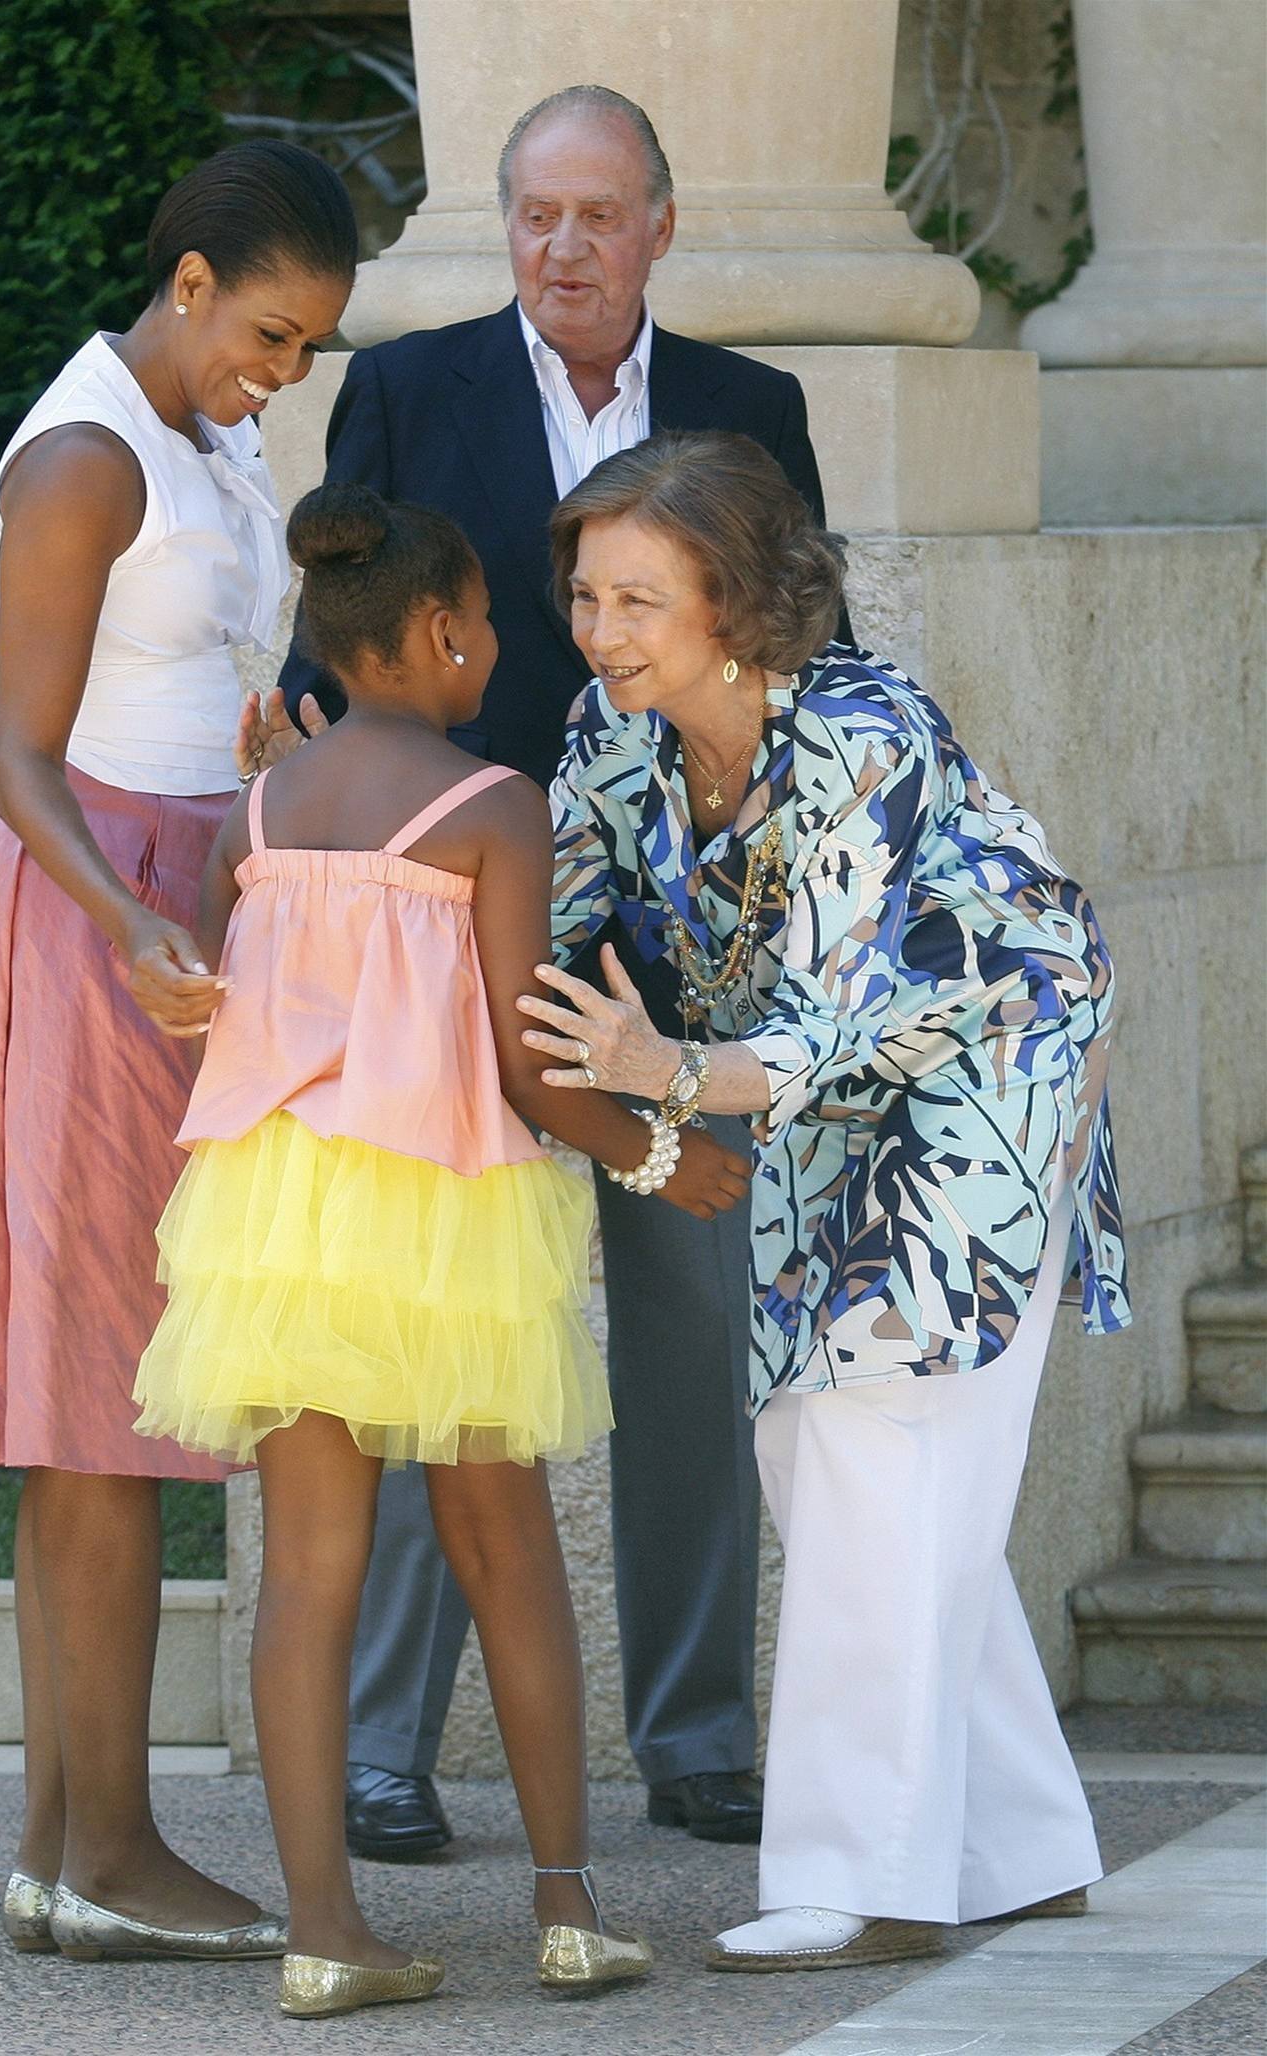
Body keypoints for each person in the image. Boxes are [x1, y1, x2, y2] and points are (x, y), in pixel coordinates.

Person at [261, 82, 848, 1863]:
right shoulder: (407, 389)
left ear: (660, 226)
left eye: (599, 216)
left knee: (689, 1350)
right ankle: (380, 1752)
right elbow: (331, 658)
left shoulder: (755, 412)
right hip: (459, 952)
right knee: (444, 1347)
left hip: (677, 977)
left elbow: (810, 663)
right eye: (536, 215)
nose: (565, 248)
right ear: (503, 226)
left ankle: (698, 1737)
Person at [131, 482, 747, 2018]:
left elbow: (211, 964)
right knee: (506, 1551)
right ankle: (565, 1909)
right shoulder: (490, 807)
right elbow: (529, 1061)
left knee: (307, 1578)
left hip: (278, 1212)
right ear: (431, 633)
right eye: (485, 624)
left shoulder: (260, 808)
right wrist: (664, 1156)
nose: (499, 650)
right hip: (443, 1213)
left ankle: (324, 1928)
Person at [519, 429, 1131, 1971]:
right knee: (836, 1458)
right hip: (789, 1102)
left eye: (636, 600)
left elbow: (856, 1014)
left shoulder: (864, 728)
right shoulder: (610, 726)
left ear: (733, 597)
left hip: (984, 1073)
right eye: (586, 596)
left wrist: (661, 1069)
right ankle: (1021, 1841)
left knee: (875, 1438)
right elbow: (546, 916)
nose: (599, 632)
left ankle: (867, 1879)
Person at [0, 141, 354, 1960]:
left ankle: (63, 1850)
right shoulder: (80, 454)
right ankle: (114, 1855)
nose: (280, 378)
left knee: (101, 1387)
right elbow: (21, 756)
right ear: (193, 278)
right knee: (103, 1394)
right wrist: (132, 922)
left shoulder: (210, 438)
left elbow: (197, 677)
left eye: (310, 354)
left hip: (173, 877)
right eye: (270, 335)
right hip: (83, 905)